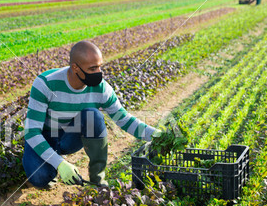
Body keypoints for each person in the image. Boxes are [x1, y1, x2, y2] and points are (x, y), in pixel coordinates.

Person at [22, 40, 162, 189]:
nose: (98, 73)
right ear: (75, 67)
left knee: (93, 116)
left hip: (70, 137)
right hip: (46, 135)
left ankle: (97, 180)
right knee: (40, 178)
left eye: (100, 67)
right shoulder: (46, 83)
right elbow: (31, 132)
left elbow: (125, 120)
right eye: (92, 68)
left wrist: (154, 134)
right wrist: (60, 164)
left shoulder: (101, 89)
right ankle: (49, 159)